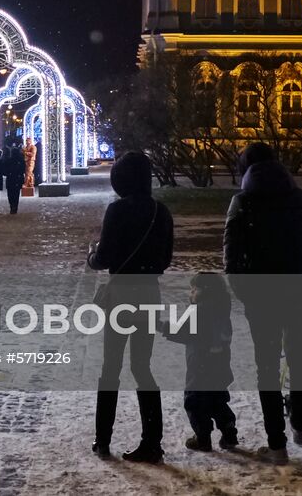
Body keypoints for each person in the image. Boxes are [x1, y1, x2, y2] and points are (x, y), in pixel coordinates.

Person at [223, 142, 302, 464]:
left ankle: (276, 444)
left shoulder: (242, 202)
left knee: (266, 368)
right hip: (299, 291)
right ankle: (301, 425)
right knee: (298, 358)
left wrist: (244, 291)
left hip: (261, 296)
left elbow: (231, 255)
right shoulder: (300, 198)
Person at [87, 150, 174, 463]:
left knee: (111, 367)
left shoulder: (117, 210)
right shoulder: (160, 212)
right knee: (142, 367)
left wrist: (92, 256)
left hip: (121, 295)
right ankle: (152, 440)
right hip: (148, 293)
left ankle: (102, 439)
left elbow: (105, 258)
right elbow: (165, 259)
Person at [165, 272, 238, 452]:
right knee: (218, 401)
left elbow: (183, 332)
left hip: (200, 367)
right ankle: (229, 430)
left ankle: (202, 437)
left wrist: (161, 326)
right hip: (219, 367)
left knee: (194, 402)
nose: (190, 293)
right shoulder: (221, 310)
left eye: (194, 289)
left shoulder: (201, 311)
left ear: (206, 291)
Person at [4, 143, 27, 213]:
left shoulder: (8, 160)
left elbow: (4, 170)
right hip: (17, 179)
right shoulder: (21, 160)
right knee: (16, 194)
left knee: (10, 194)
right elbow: (23, 169)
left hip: (10, 179)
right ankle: (15, 206)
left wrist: (8, 173)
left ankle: (12, 206)